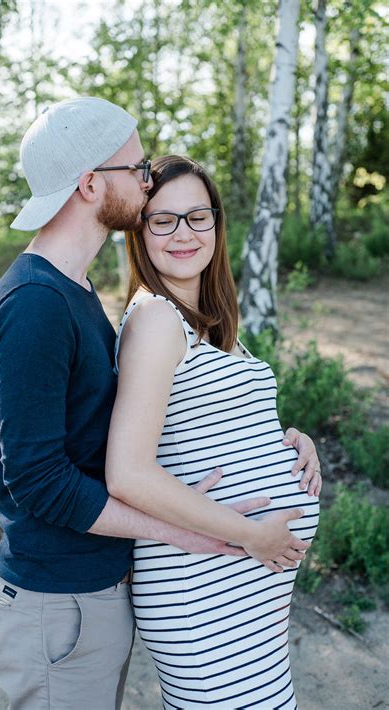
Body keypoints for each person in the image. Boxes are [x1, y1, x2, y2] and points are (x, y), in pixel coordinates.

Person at [0, 98, 321, 710]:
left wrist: (278, 442)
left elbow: (162, 425)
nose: (145, 181)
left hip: (93, 594)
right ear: (90, 184)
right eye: (136, 171)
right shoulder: (35, 305)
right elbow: (36, 481)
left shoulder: (76, 291)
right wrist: (200, 533)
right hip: (60, 600)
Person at [106, 155, 320, 709]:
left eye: (198, 217)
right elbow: (128, 471)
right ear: (141, 232)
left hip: (244, 584)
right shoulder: (156, 317)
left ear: (217, 225)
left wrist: (288, 439)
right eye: (163, 220)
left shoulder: (204, 321)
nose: (183, 233)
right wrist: (250, 533)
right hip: (202, 583)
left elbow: (210, 424)